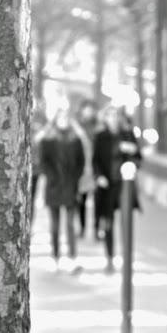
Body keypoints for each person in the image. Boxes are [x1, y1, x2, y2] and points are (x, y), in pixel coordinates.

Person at [92, 105, 141, 273]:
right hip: (107, 186)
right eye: (109, 116)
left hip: (123, 185)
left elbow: (138, 158)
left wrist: (131, 155)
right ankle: (110, 258)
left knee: (125, 221)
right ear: (105, 118)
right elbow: (95, 160)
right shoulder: (100, 137)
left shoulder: (127, 134)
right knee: (108, 223)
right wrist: (99, 177)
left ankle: (127, 258)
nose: (112, 119)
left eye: (115, 115)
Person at [38, 109, 85, 273]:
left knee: (71, 224)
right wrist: (52, 177)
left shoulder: (75, 138)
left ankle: (73, 257)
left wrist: (74, 179)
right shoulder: (48, 139)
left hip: (71, 187)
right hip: (54, 187)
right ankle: (55, 257)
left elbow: (81, 162)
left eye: (66, 116)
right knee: (55, 225)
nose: (63, 119)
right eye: (60, 116)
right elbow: (43, 162)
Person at [75, 99, 98, 239]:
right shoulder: (78, 127)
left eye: (90, 109)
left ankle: (96, 229)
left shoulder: (97, 126)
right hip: (83, 168)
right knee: (82, 201)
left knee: (97, 201)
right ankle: (82, 228)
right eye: (86, 109)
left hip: (95, 167)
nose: (88, 111)